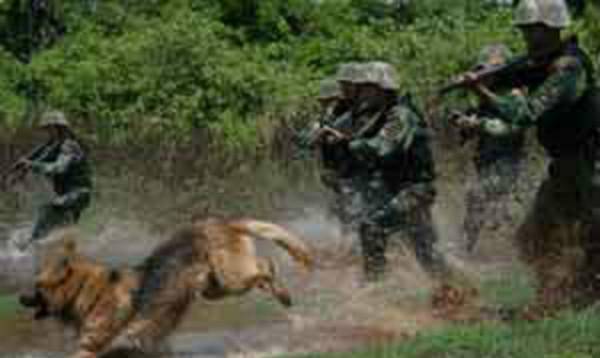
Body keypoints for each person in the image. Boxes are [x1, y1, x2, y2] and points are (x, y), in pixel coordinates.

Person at [459, 0, 600, 311]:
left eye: (533, 31)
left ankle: (577, 298)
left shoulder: (568, 67)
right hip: (565, 164)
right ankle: (557, 294)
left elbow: (525, 115)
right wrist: (485, 77)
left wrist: (481, 91)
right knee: (532, 237)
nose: (527, 38)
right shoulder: (542, 62)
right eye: (525, 31)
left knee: (594, 239)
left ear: (552, 30)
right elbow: (514, 75)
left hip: (590, 164)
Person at [340, 62, 447, 281]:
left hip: (414, 190)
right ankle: (456, 290)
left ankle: (376, 285)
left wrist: (354, 144)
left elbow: (385, 147)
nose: (362, 93)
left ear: (383, 89)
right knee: (427, 253)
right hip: (404, 189)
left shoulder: (401, 114)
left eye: (367, 87)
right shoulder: (381, 114)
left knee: (371, 227)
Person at [455, 44, 527, 252]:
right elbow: (472, 133)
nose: (483, 76)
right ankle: (472, 247)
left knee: (477, 196)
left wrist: (477, 124)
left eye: (489, 71)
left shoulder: (514, 95)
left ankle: (469, 248)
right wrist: (464, 124)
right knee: (483, 204)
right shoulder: (486, 96)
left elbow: (511, 128)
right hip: (487, 163)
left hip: (508, 163)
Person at [16, 110, 92, 250]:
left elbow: (58, 168)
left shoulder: (69, 146)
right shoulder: (53, 145)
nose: (47, 133)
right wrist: (23, 168)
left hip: (79, 194)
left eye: (49, 129)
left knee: (49, 209)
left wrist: (31, 165)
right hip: (68, 195)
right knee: (65, 232)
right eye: (46, 130)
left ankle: (28, 247)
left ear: (59, 128)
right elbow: (36, 158)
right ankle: (66, 256)